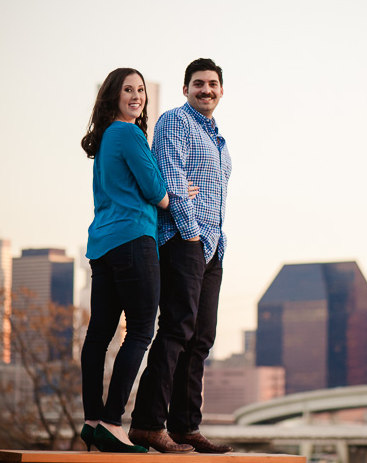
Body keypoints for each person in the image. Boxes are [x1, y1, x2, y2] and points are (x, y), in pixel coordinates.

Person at [79, 68, 196, 453]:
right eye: (128, 89)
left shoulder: (106, 139)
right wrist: (175, 192)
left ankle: (93, 419)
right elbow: (156, 191)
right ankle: (114, 422)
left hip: (103, 243)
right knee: (143, 329)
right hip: (133, 239)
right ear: (113, 96)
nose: (137, 96)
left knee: (99, 333)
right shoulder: (128, 133)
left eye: (141, 90)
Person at [129, 58, 233, 453]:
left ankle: (185, 427)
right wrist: (190, 238)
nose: (206, 90)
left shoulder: (220, 142)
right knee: (175, 331)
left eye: (212, 84)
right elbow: (172, 179)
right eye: (198, 84)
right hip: (183, 243)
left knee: (201, 338)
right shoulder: (175, 122)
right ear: (186, 89)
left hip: (213, 246)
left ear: (221, 90)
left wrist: (213, 243)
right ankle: (147, 424)